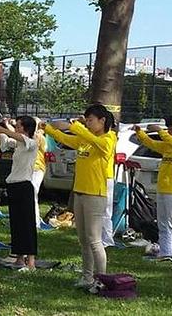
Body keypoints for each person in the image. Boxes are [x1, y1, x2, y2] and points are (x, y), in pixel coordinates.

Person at [43, 104, 117, 290]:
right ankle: (87, 277)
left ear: (103, 121)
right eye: (87, 120)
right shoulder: (85, 140)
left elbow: (99, 144)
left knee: (94, 239)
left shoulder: (109, 138)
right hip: (80, 193)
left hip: (95, 195)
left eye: (91, 120)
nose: (88, 123)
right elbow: (64, 138)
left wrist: (77, 127)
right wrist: (48, 129)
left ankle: (102, 279)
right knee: (83, 239)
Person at [134, 116, 172, 261]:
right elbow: (151, 143)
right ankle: (166, 252)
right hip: (163, 189)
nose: (169, 132)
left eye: (171, 130)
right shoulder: (168, 146)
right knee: (162, 223)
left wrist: (161, 132)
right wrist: (140, 133)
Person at [0, 116, 40, 271]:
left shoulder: (32, 143)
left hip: (24, 187)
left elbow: (16, 136)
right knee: (16, 224)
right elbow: (6, 141)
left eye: (18, 126)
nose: (16, 128)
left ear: (25, 128)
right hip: (14, 185)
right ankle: (19, 257)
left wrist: (4, 129)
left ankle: (31, 261)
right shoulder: (19, 145)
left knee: (27, 224)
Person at [32, 118, 48, 228]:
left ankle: (35, 222)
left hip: (37, 169)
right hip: (28, 169)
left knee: (32, 193)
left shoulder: (40, 138)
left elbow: (44, 150)